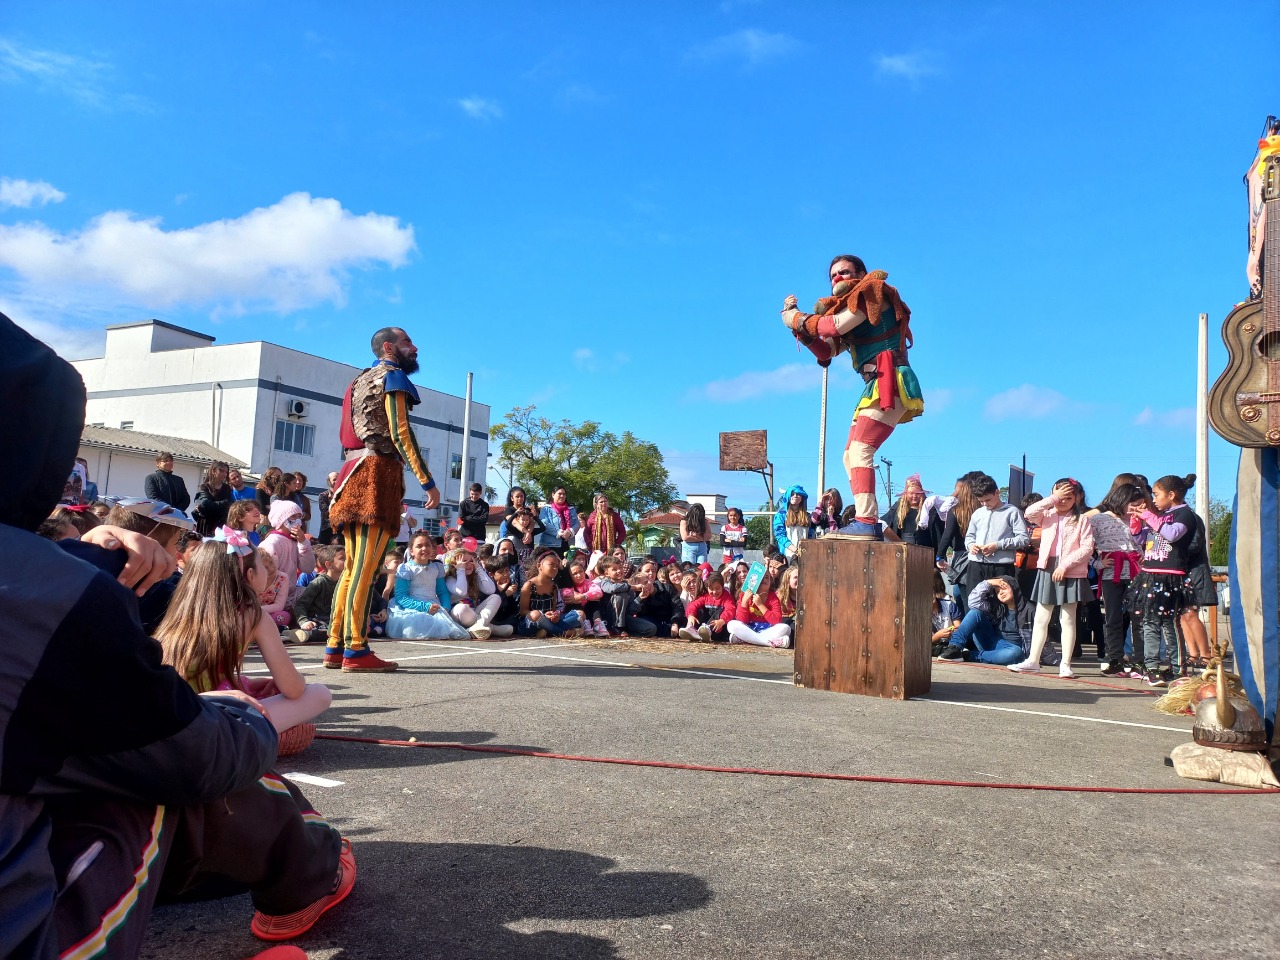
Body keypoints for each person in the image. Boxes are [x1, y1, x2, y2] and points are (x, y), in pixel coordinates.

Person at [0, 313, 354, 957]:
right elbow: (202, 747)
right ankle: (309, 868)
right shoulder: (50, 593)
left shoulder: (78, 581)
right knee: (172, 767)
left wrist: (77, 555)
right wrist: (259, 712)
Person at [782, 254, 924, 538]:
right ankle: (865, 521)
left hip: (890, 377)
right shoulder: (851, 308)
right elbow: (827, 352)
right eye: (833, 275)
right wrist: (799, 329)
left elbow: (832, 326)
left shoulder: (870, 292)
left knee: (861, 450)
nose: (838, 278)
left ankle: (867, 522)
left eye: (844, 272)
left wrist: (795, 318)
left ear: (861, 273)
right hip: (876, 383)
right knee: (850, 455)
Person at [325, 327, 440, 672]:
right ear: (389, 347)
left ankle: (335, 645)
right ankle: (356, 650)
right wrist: (427, 481)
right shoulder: (392, 376)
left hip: (351, 471)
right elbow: (400, 430)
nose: (415, 347)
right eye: (407, 342)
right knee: (365, 566)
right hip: (375, 473)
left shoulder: (359, 380)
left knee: (352, 567)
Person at [158, 536, 333, 732]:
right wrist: (296, 681)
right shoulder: (253, 616)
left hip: (167, 717)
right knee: (319, 694)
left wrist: (245, 683)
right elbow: (293, 689)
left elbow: (193, 678)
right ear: (250, 574)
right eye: (262, 566)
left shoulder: (182, 611)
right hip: (206, 726)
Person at [1008, 479, 1096, 678]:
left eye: (1068, 497)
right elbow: (1029, 513)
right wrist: (1052, 499)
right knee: (1041, 617)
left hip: (1070, 570)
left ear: (1077, 499)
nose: (1062, 501)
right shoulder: (1047, 514)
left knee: (1068, 619)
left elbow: (1087, 548)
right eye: (1059, 496)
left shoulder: (1082, 519)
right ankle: (1033, 660)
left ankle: (1065, 664)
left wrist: (1065, 565)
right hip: (1047, 567)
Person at [1129, 474, 1199, 687]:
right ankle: (1151, 667)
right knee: (1149, 621)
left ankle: (1178, 668)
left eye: (1157, 495)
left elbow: (1171, 534)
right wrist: (1136, 523)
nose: (1154, 499)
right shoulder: (1160, 514)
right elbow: (1142, 539)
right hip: (1150, 575)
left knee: (1170, 623)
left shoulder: (1185, 514)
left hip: (1171, 576)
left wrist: (1149, 516)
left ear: (1171, 494)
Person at [1088, 483, 1145, 677]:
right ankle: (1115, 659)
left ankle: (1140, 661)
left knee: (1138, 618)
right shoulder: (1098, 519)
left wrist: (1146, 555)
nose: (1135, 508)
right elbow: (1084, 545)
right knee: (1113, 617)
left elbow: (1148, 541)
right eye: (1132, 504)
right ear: (1121, 500)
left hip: (1137, 571)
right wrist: (1097, 564)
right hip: (1112, 572)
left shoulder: (1140, 520)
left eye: (1139, 504)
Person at [386, 530, 469, 640]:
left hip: (433, 605)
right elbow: (401, 597)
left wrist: (445, 607)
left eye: (427, 545)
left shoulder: (437, 568)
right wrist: (424, 607)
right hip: (411, 607)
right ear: (411, 551)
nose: (424, 549)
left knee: (443, 625)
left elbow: (442, 591)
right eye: (419, 546)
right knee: (418, 623)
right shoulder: (406, 569)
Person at [936, 576, 1029, 666]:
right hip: (992, 641)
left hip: (1009, 651)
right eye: (997, 591)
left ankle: (967, 655)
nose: (1001, 593)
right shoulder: (996, 606)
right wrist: (988, 582)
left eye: (1003, 588)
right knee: (975, 612)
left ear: (1014, 587)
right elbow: (973, 603)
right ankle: (954, 648)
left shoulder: (1028, 610)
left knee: (1016, 652)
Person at [962, 474, 1029, 594]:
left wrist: (997, 545)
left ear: (997, 492)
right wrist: (971, 546)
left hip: (1001, 566)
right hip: (976, 565)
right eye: (981, 501)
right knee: (974, 602)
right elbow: (969, 536)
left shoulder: (1012, 512)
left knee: (1001, 605)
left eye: (987, 500)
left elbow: (1024, 539)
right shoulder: (977, 513)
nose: (985, 504)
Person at [259, 500, 314, 620]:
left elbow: (308, 568)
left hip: (291, 594)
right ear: (282, 520)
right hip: (272, 598)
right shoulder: (272, 543)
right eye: (293, 516)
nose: (298, 520)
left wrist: (303, 542)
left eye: (300, 516)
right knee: (284, 617)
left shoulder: (296, 541)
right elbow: (267, 577)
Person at [519, 548, 583, 637]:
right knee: (535, 614)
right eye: (551, 565)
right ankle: (562, 633)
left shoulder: (554, 586)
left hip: (548, 621)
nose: (555, 569)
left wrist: (554, 616)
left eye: (557, 566)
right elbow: (522, 611)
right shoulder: (529, 585)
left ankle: (547, 631)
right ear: (539, 566)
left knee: (580, 614)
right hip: (530, 623)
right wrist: (543, 615)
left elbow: (552, 610)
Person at [447, 548, 508, 639]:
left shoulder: (474, 578)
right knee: (461, 608)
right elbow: (461, 591)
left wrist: (478, 568)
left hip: (474, 613)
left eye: (471, 561)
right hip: (458, 615)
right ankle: (491, 628)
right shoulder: (450, 579)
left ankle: (478, 626)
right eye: (464, 561)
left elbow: (490, 590)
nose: (468, 564)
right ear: (454, 565)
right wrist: (460, 570)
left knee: (495, 597)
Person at [291, 544, 346, 644]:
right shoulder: (319, 582)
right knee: (334, 632)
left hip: (335, 620)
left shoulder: (345, 582)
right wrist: (304, 621)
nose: (347, 561)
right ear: (329, 564)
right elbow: (300, 605)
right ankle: (304, 634)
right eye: (342, 558)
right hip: (319, 620)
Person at [727, 572, 792, 648]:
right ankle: (770, 642)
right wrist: (744, 602)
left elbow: (777, 620)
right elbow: (742, 621)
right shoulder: (744, 595)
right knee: (731, 624)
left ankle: (746, 640)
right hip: (749, 628)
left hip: (767, 630)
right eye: (761, 578)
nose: (764, 580)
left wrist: (760, 605)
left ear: (770, 581)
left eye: (767, 577)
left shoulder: (773, 598)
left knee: (786, 628)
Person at [594, 555, 654, 637]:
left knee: (651, 628)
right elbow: (613, 589)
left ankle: (624, 632)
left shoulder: (626, 585)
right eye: (614, 569)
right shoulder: (605, 582)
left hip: (624, 618)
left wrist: (640, 598)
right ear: (606, 573)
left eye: (620, 567)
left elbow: (630, 610)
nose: (619, 570)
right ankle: (615, 627)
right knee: (621, 594)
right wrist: (633, 587)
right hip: (608, 617)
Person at [680, 573, 734, 642]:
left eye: (717, 588)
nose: (714, 592)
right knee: (699, 609)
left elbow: (730, 609)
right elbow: (693, 605)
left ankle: (706, 631)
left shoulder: (727, 598)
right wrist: (691, 615)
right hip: (704, 626)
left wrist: (722, 620)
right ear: (707, 588)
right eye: (711, 589)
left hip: (718, 628)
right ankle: (692, 629)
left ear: (722, 587)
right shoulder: (706, 597)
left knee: (720, 610)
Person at [882, 473, 931, 546]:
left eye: (917, 493)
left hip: (924, 547)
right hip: (902, 547)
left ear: (921, 494)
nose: (914, 496)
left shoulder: (928, 508)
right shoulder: (898, 507)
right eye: (911, 493)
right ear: (906, 494)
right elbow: (883, 523)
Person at [193, 460, 235, 536]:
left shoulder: (227, 488)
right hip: (207, 524)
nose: (225, 474)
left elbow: (229, 507)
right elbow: (206, 504)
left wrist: (213, 506)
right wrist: (226, 502)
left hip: (222, 524)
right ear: (213, 471)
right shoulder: (204, 487)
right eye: (222, 471)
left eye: (226, 472)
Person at [772, 485, 814, 560]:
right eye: (792, 494)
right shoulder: (781, 516)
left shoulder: (808, 516)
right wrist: (795, 550)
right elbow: (780, 536)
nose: (795, 496)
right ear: (788, 496)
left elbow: (811, 535)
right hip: (787, 556)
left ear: (802, 497)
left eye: (798, 494)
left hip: (806, 555)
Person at [537, 486, 579, 553]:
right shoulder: (546, 509)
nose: (562, 496)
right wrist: (558, 532)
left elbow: (577, 523)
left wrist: (570, 532)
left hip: (568, 544)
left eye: (564, 494)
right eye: (559, 493)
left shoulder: (571, 509)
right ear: (553, 495)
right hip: (550, 545)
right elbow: (544, 523)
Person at [316, 471, 338, 544]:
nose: (337, 481)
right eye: (334, 479)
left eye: (339, 479)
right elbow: (326, 512)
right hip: (327, 530)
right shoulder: (323, 495)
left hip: (341, 531)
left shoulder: (344, 496)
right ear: (329, 481)